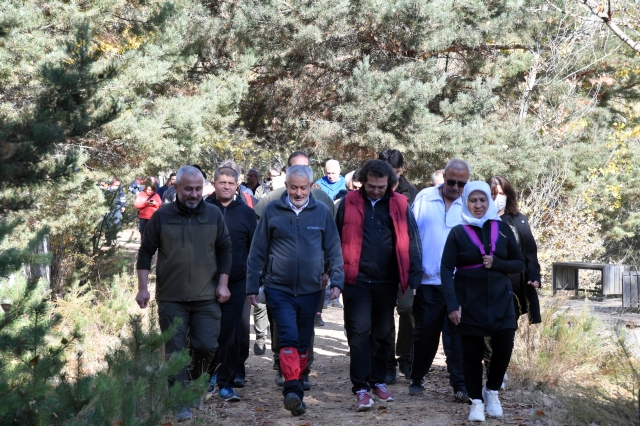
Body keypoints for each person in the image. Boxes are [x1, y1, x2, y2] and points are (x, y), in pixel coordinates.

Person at [135, 165, 233, 422]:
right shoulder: (162, 216)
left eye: (198, 189)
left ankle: (196, 384)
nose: (193, 194)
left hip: (207, 296)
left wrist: (223, 284)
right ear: (176, 188)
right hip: (171, 297)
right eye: (188, 189)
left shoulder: (213, 214)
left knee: (206, 345)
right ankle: (180, 400)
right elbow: (145, 252)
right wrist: (143, 288)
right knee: (176, 351)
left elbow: (225, 249)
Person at [246, 165, 344, 416]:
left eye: (303, 187)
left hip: (311, 289)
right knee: (288, 336)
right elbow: (257, 251)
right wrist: (252, 284)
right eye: (293, 187)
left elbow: (333, 249)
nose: (298, 192)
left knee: (303, 340)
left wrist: (337, 280)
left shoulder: (321, 212)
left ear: (311, 186)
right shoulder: (272, 211)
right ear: (286, 186)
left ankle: (296, 383)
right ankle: (292, 388)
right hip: (279, 287)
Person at [336, 160, 423, 412]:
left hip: (388, 279)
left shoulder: (400, 204)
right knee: (359, 332)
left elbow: (412, 240)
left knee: (382, 333)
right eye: (372, 186)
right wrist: (331, 272)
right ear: (363, 181)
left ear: (390, 184)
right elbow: (333, 235)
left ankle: (378, 381)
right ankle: (360, 388)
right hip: (356, 279)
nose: (376, 191)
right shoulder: (348, 202)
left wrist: (414, 277)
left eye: (381, 187)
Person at [440, 181, 524, 421]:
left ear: (489, 201)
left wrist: (497, 263)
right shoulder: (458, 232)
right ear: (466, 202)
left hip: (501, 299)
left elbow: (519, 264)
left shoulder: (504, 229)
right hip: (469, 301)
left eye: (482, 200)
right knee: (471, 354)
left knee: (504, 347)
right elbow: (446, 269)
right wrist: (452, 304)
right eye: (473, 200)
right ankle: (476, 401)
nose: (478, 205)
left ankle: (492, 391)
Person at [409, 159, 470, 402]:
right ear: (444, 177)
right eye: (452, 181)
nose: (455, 187)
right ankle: (417, 375)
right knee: (425, 334)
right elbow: (410, 236)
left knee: (457, 338)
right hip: (428, 282)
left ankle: (460, 385)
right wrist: (412, 276)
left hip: (458, 283)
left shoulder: (469, 203)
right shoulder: (424, 197)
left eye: (461, 183)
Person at [204, 166, 256, 402]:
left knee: (232, 332)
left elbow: (255, 249)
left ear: (238, 185)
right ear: (213, 183)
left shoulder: (245, 213)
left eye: (230, 182)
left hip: (238, 282)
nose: (226, 186)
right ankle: (206, 377)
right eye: (221, 182)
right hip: (204, 282)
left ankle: (226, 383)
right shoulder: (203, 209)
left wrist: (255, 280)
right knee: (207, 333)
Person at [378, 148, 420, 384]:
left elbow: (416, 232)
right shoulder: (372, 191)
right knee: (383, 313)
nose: (389, 177)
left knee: (408, 308)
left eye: (394, 172)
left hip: (404, 263)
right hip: (380, 265)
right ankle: (388, 363)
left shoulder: (412, 193)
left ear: (401, 170)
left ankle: (405, 353)